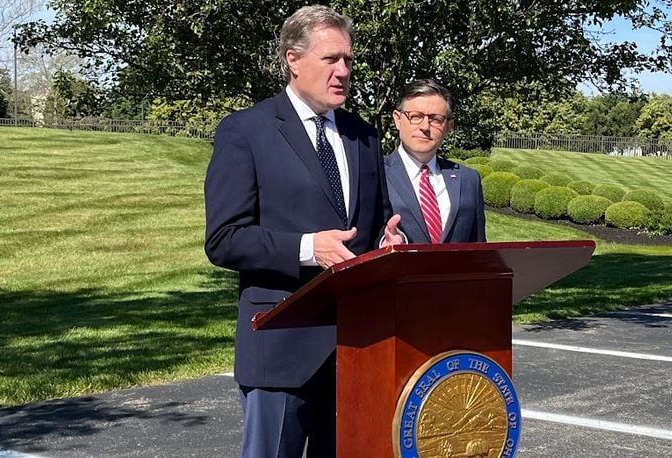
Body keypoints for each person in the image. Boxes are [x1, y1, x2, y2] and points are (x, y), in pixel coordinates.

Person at [203, 5, 402, 457]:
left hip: (358, 351)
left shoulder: (364, 136)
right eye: (331, 59)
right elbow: (224, 238)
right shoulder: (245, 131)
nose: (343, 71)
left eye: (348, 61)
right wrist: (309, 248)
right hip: (280, 347)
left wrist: (390, 244)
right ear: (293, 60)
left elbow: (374, 226)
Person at [385, 79, 486, 243]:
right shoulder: (375, 174)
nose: (425, 126)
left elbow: (478, 248)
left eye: (435, 119)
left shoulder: (469, 180)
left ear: (449, 127)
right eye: (415, 116)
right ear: (397, 119)